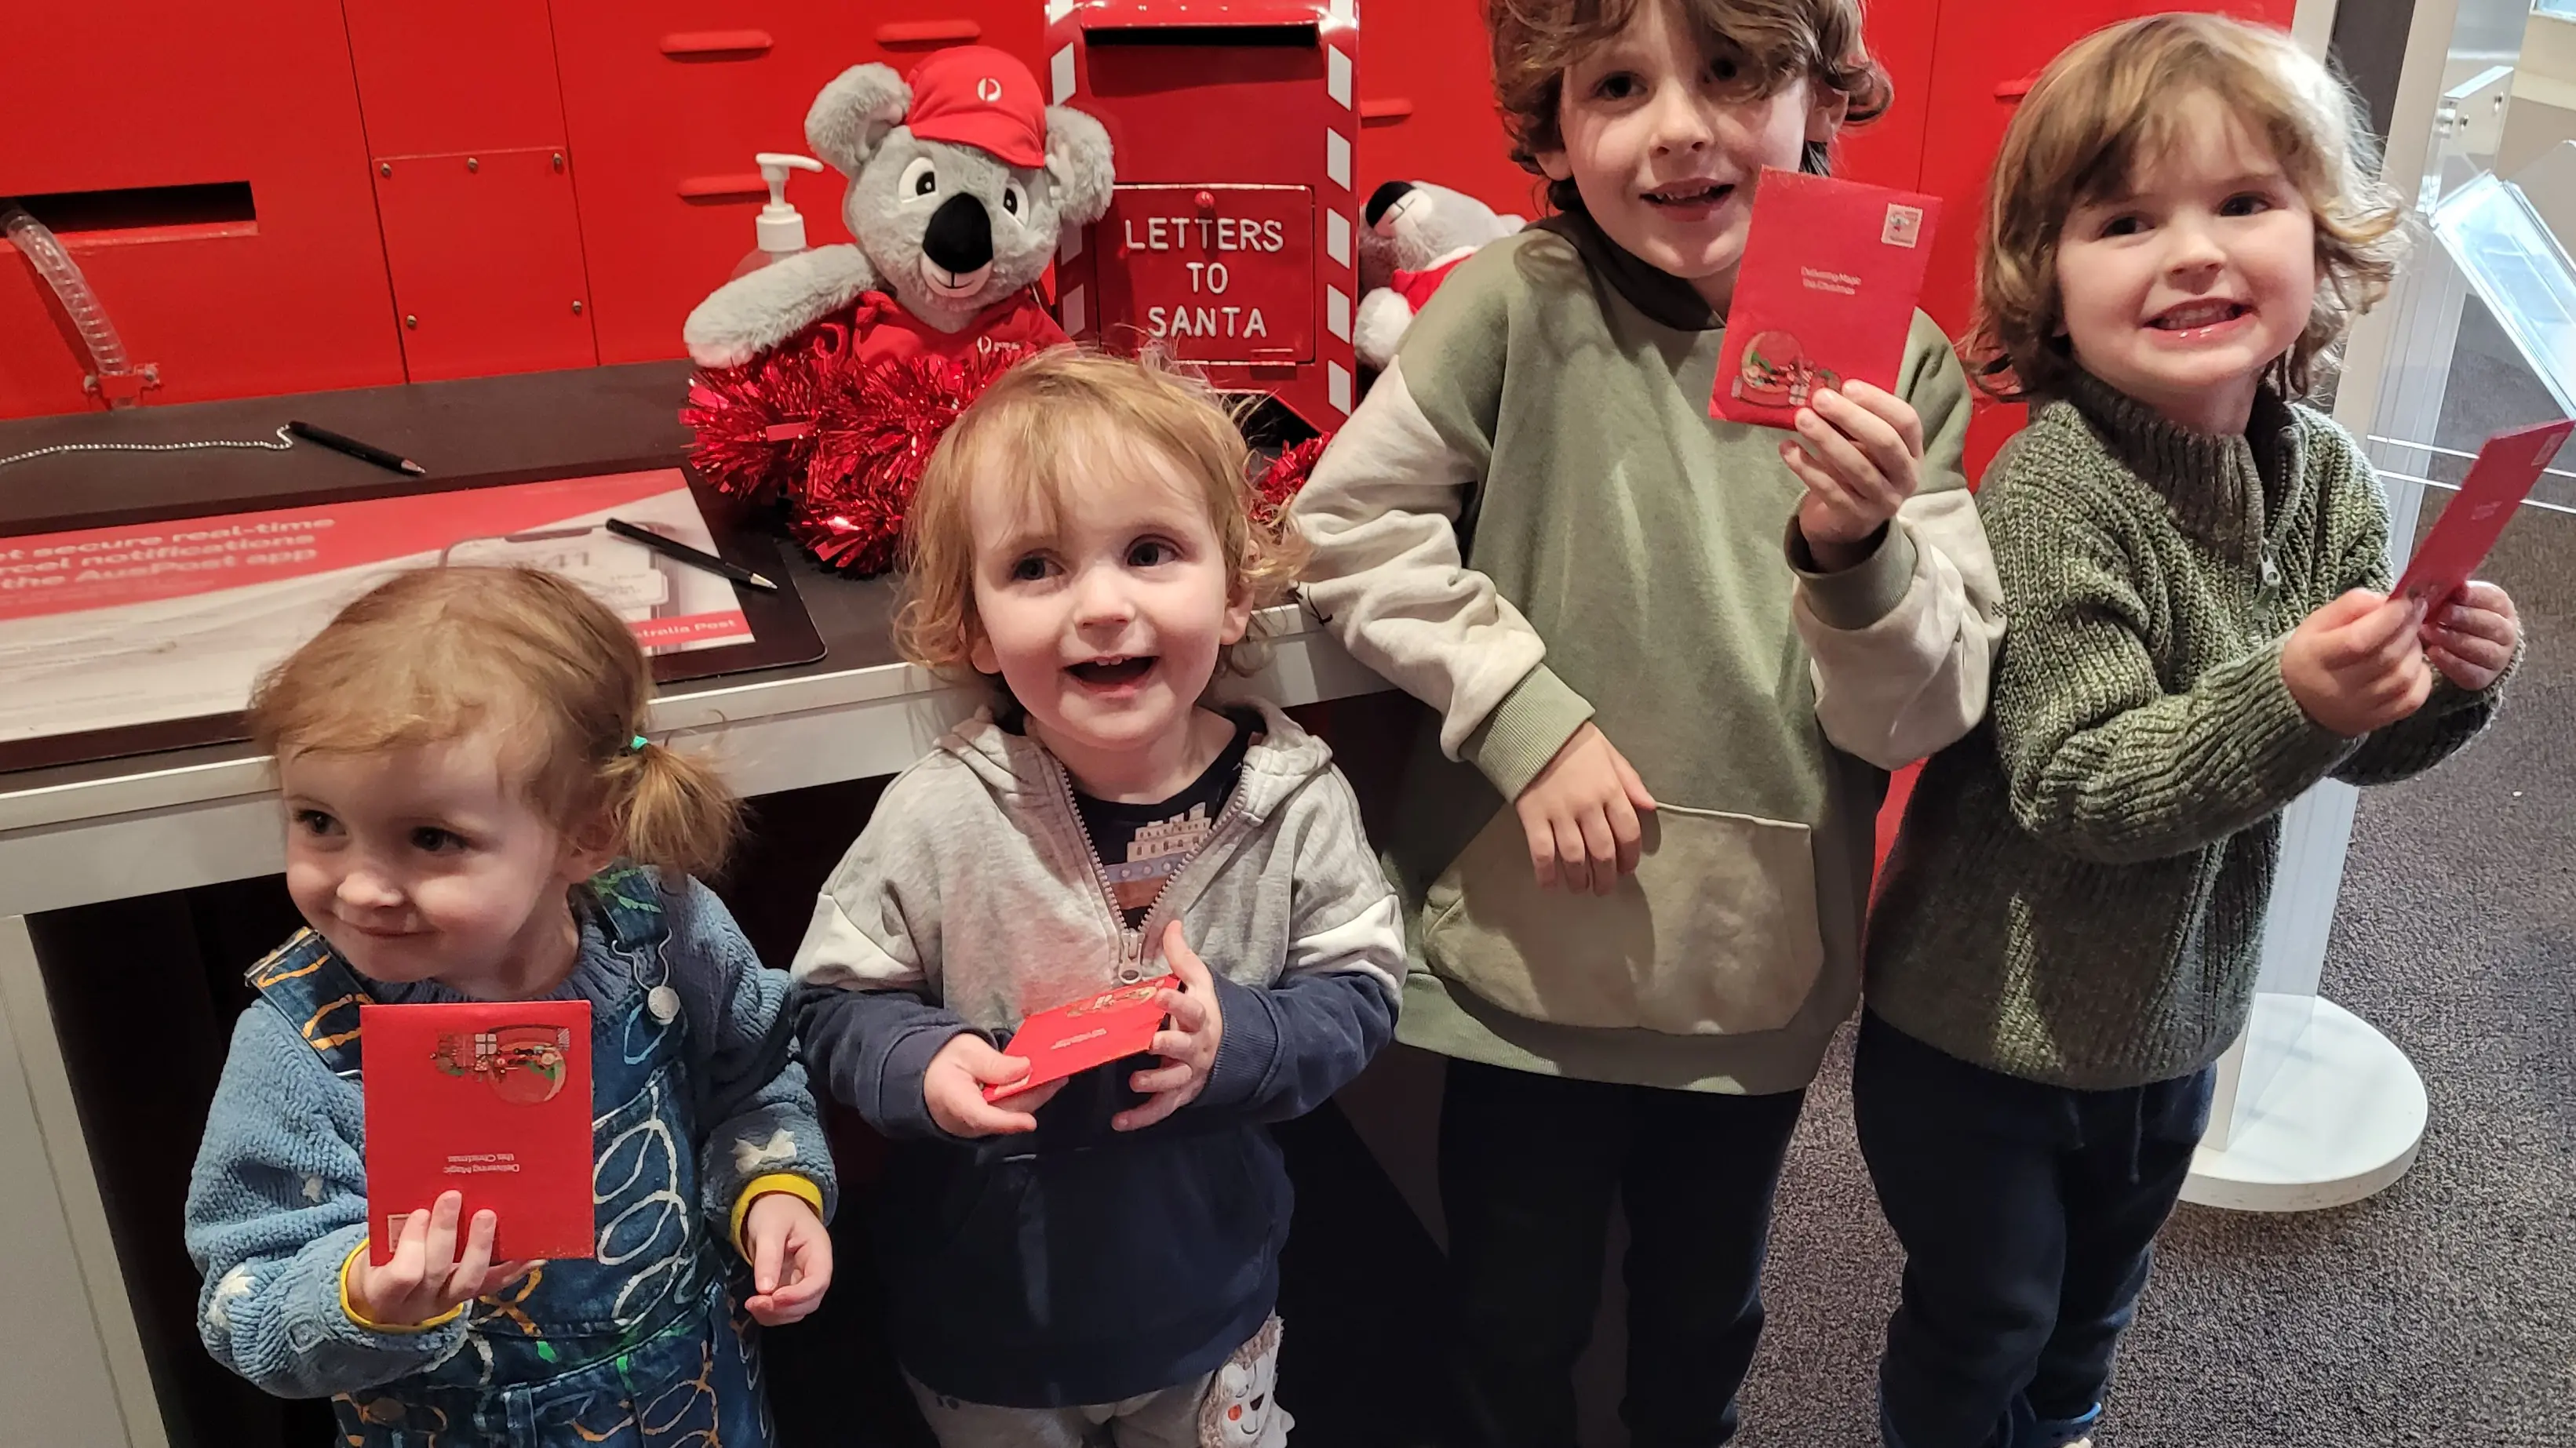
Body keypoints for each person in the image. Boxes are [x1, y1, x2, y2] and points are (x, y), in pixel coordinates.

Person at [1285, 0, 2007, 1440]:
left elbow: (1930, 701)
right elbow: (1345, 526)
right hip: (1526, 958)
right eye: (1617, 84)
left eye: (1730, 72)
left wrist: (1860, 549)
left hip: (1753, 958)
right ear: (1555, 126)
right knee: (1512, 1308)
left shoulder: (1895, 356)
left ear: (1821, 98)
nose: (1677, 124)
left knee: (1698, 1315)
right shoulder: (1512, 303)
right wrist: (1524, 717)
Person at [1859, 16, 2520, 1448]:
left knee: (2093, 1306)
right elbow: (2079, 781)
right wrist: (2290, 694)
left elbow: (2346, 748)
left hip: (2172, 1026)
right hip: (1981, 1035)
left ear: (2319, 237)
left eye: (2241, 202)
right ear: (2045, 281)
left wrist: (2438, 685)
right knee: (1985, 1319)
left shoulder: (2326, 474)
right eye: (2122, 220)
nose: (2193, 252)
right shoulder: (2054, 495)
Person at [792, 347, 1405, 1446]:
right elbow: (834, 1005)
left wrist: (1241, 1038)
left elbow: (1359, 989)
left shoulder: (1293, 798)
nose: (1103, 605)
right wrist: (919, 1063)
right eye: (1036, 567)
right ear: (971, 625)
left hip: (1206, 1305)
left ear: (1233, 590)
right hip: (988, 1326)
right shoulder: (936, 815)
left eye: (1151, 551)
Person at [187, 565, 836, 1446]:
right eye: (319, 821)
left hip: (695, 1402)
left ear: (587, 833)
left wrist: (775, 1190)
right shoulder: (300, 1044)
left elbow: (754, 1083)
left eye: (430, 838)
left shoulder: (664, 931)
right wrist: (360, 1294)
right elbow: (243, 1302)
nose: (363, 887)